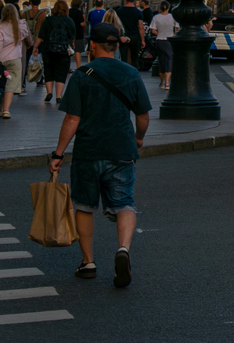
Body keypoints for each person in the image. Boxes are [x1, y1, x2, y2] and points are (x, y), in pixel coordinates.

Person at [48, 21, 151, 288]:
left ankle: (88, 262)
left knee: (83, 206)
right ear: (116, 46)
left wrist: (58, 153)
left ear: (92, 45)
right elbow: (142, 115)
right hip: (121, 148)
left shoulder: (82, 75)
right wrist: (139, 138)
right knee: (124, 203)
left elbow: (72, 118)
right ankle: (123, 249)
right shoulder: (131, 73)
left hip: (88, 151)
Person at [0, 3, 30, 118]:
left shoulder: (0, 26)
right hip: (15, 58)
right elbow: (25, 35)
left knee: (0, 84)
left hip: (2, 58)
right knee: (11, 85)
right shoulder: (20, 25)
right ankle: (6, 110)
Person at [35, 0, 76, 103]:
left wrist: (35, 47)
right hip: (63, 50)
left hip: (48, 49)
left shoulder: (48, 20)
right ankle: (58, 96)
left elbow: (41, 36)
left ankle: (49, 93)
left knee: (48, 70)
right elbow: (72, 37)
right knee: (61, 72)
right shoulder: (69, 21)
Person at [148, 2, 176, 91]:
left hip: (159, 40)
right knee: (169, 60)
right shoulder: (173, 17)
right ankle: (167, 82)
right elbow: (177, 29)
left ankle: (162, 82)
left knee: (161, 60)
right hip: (169, 40)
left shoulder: (156, 17)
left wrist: (160, 33)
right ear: (168, 8)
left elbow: (153, 31)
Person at [114, 0, 144, 68]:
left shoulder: (119, 11)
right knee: (135, 58)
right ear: (134, 0)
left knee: (123, 58)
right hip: (134, 36)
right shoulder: (138, 12)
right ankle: (134, 74)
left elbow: (116, 25)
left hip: (123, 36)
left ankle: (124, 75)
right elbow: (141, 27)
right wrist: (143, 40)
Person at [23, 0, 46, 87]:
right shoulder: (42, 14)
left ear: (31, 2)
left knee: (25, 60)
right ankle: (39, 80)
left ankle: (23, 82)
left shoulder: (25, 14)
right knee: (39, 60)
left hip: (27, 40)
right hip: (38, 40)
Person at [69, 0, 87, 69]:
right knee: (77, 51)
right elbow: (82, 24)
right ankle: (78, 67)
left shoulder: (69, 11)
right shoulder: (79, 12)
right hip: (78, 33)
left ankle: (69, 67)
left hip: (70, 33)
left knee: (69, 51)